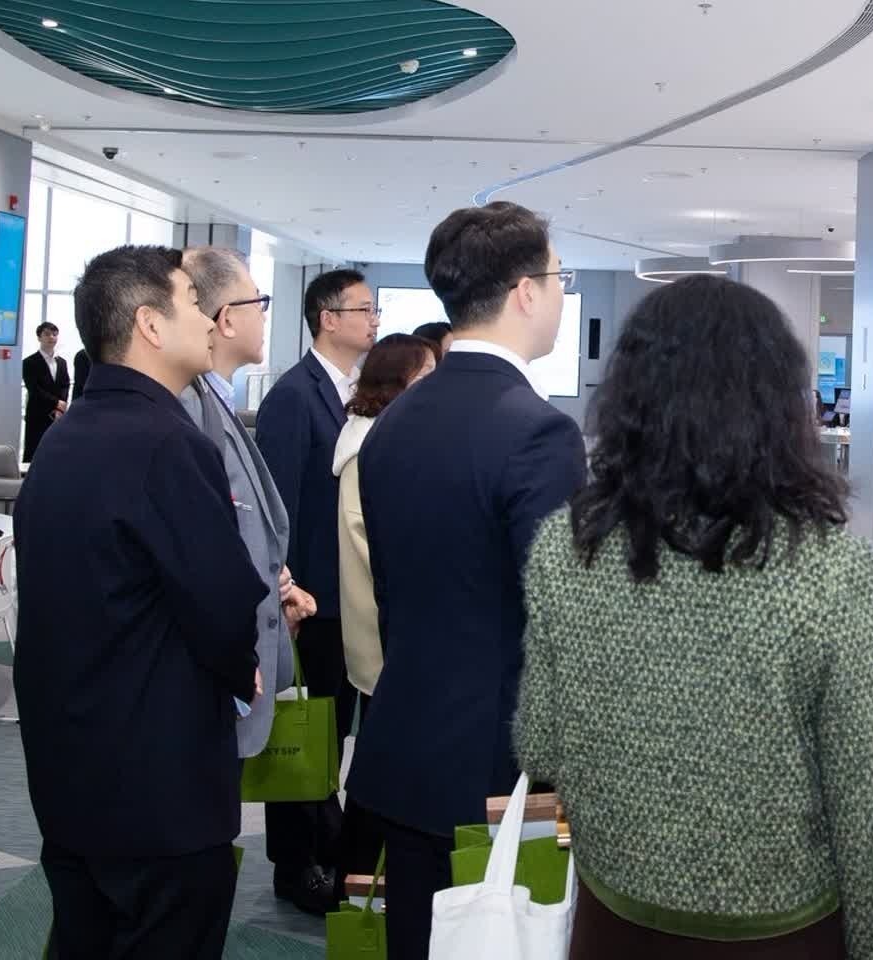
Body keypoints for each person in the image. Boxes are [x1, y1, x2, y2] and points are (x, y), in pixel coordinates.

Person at [515, 275, 873, 958]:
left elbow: (539, 744)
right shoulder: (833, 567)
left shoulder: (566, 545)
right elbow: (863, 802)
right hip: (782, 926)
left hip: (617, 911)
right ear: (779, 404)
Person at [346, 201, 587, 959]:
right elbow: (561, 621)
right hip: (498, 773)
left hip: (405, 745)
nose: (559, 295)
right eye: (558, 278)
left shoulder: (394, 423)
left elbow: (396, 595)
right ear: (525, 291)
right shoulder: (539, 432)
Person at [13, 245, 268, 959]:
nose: (210, 321)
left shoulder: (66, 437)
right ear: (151, 324)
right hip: (159, 786)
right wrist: (243, 666)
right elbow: (222, 604)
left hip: (73, 770)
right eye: (192, 301)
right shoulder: (166, 443)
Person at [252, 267, 378, 912]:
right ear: (328, 319)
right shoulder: (294, 396)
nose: (374, 320)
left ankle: (327, 849)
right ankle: (295, 864)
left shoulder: (352, 391)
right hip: (310, 602)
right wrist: (287, 592)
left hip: (345, 601)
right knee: (304, 731)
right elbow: (278, 509)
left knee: (330, 737)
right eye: (364, 310)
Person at [177, 245, 318, 760]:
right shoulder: (188, 407)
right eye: (258, 302)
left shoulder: (215, 399)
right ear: (226, 319)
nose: (264, 315)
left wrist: (279, 581)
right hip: (216, 672)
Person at [333, 333, 439, 709]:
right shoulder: (364, 446)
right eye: (425, 375)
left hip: (404, 616)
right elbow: (367, 542)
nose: (436, 384)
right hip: (382, 621)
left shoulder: (399, 435)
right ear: (393, 382)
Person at [21, 320, 70, 462]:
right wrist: (56, 403)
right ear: (39, 337)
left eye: (54, 334)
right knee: (34, 452)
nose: (51, 337)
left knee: (55, 452)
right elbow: (34, 389)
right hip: (38, 414)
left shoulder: (62, 362)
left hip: (58, 415)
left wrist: (61, 405)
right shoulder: (29, 362)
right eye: (47, 334)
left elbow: (65, 385)